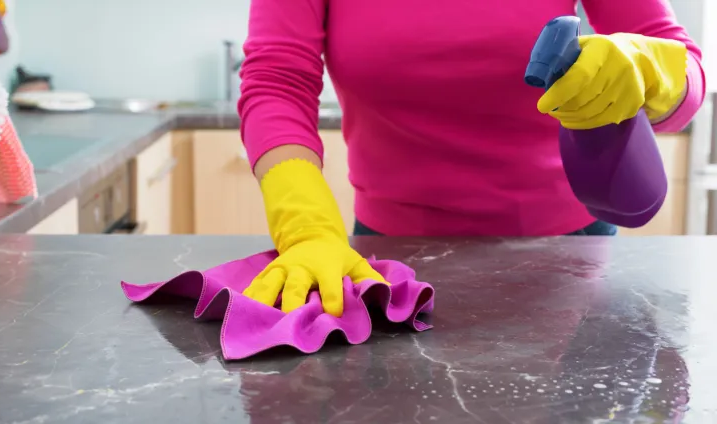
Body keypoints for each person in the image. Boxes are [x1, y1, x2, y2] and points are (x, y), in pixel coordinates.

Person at [236, 0, 706, 316]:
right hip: (392, 260)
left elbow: (684, 65)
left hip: (572, 254)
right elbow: (277, 82)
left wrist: (648, 67)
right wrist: (306, 229)